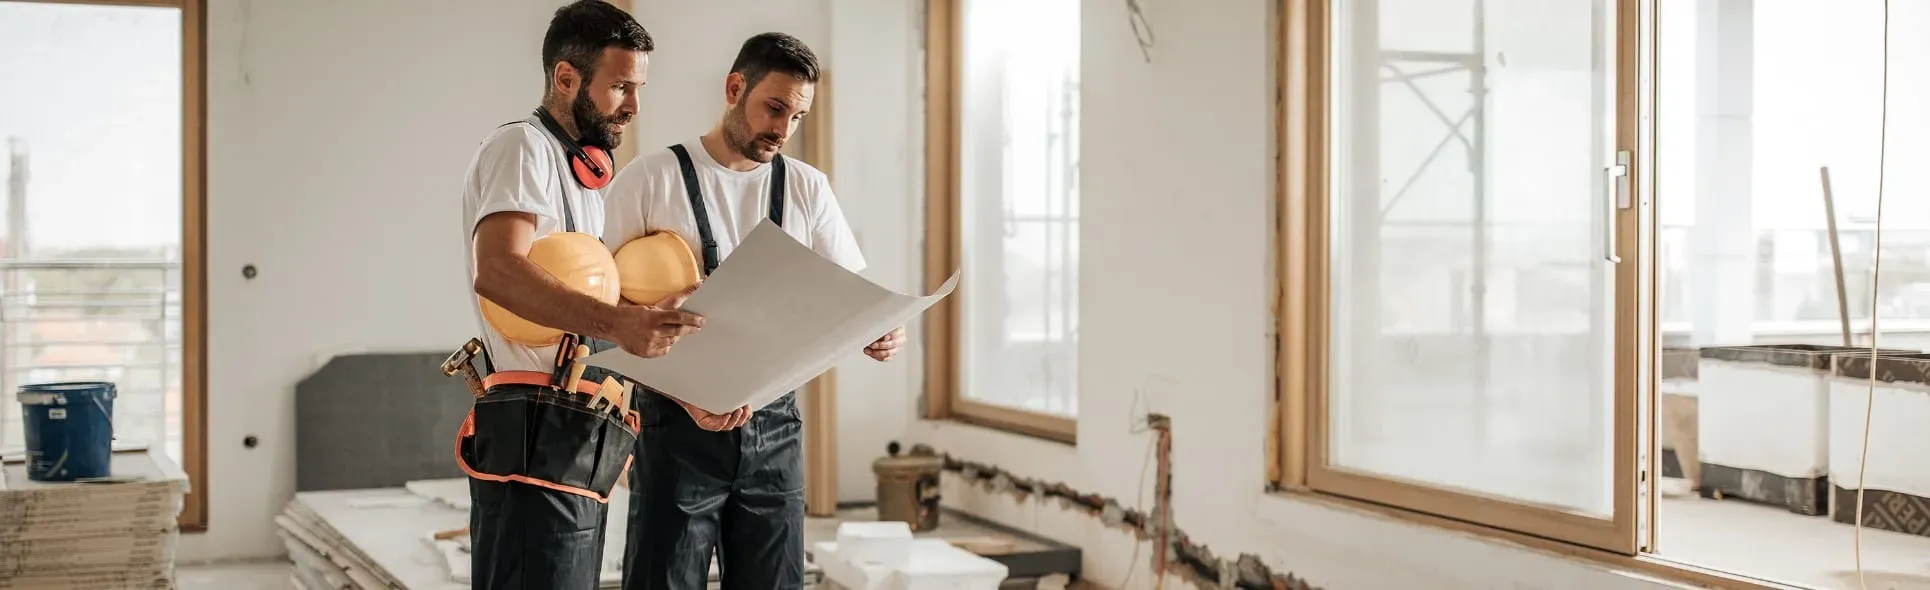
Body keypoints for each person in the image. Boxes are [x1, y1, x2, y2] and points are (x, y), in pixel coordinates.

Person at [600, 32, 904, 590]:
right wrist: (686, 391)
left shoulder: (807, 188)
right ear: (735, 87)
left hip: (775, 429)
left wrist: (878, 329)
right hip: (675, 428)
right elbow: (600, 314)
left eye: (798, 116)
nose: (784, 130)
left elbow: (849, 295)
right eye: (775, 108)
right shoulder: (650, 179)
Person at [453, 2, 700, 588]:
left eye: (638, 88)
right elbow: (500, 272)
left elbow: (582, 295)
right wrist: (617, 325)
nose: (635, 106)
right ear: (565, 78)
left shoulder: (581, 172)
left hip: (576, 427)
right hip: (534, 426)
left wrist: (637, 323)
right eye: (620, 87)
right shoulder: (522, 148)